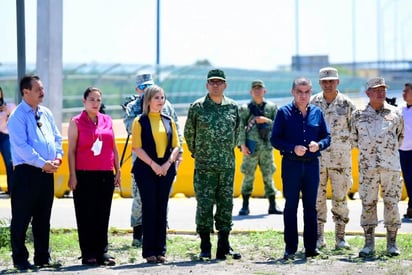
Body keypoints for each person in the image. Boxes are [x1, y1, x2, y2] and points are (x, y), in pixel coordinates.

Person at [270, 77, 331, 260]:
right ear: (293, 92)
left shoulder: (317, 113)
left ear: (311, 92)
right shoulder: (283, 112)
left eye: (306, 92)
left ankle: (311, 247)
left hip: (312, 165)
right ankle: (290, 247)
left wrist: (318, 144)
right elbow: (275, 139)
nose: (303, 96)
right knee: (291, 206)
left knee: (310, 207)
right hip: (291, 165)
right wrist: (291, 148)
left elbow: (327, 137)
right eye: (299, 92)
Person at [184, 69, 241, 261]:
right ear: (207, 85)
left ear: (225, 85)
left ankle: (224, 245)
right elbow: (189, 134)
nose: (215, 85)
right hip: (204, 167)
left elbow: (237, 133)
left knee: (226, 205)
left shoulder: (233, 107)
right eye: (212, 82)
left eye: (219, 82)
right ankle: (205, 246)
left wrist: (224, 152)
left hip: (226, 166)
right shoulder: (198, 107)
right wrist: (199, 154)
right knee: (204, 206)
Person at [8, 75, 63, 270]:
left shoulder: (46, 113)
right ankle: (20, 259)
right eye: (38, 89)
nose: (42, 92)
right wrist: (42, 163)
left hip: (47, 172)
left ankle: (42, 257)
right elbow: (21, 147)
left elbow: (57, 137)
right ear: (26, 92)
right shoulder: (17, 116)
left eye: (43, 88)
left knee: (43, 218)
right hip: (26, 173)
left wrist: (57, 157)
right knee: (22, 218)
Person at [123, 73, 182, 247]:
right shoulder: (134, 107)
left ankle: (160, 232)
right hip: (142, 159)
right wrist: (144, 111)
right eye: (143, 88)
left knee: (162, 198)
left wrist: (179, 155)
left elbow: (176, 128)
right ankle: (138, 233)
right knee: (141, 197)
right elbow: (130, 128)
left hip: (166, 159)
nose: (146, 90)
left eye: (149, 86)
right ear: (137, 89)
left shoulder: (166, 105)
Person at [350, 77, 404, 257]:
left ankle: (392, 243)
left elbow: (400, 137)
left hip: (391, 168)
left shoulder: (396, 113)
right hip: (368, 169)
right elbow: (354, 139)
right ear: (368, 93)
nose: (381, 93)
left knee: (392, 204)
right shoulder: (358, 115)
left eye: (383, 90)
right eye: (376, 90)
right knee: (368, 203)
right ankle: (368, 243)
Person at [67, 87, 121, 266]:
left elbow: (113, 147)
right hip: (84, 174)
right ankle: (88, 252)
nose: (95, 103)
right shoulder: (76, 122)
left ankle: (102, 251)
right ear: (84, 101)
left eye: (98, 100)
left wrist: (118, 170)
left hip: (105, 173)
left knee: (102, 213)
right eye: (91, 99)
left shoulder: (107, 120)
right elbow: (71, 151)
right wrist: (72, 175)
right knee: (85, 214)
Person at [310, 67, 356, 250]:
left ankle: (340, 238)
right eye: (324, 81)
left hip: (341, 161)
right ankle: (319, 237)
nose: (328, 84)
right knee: (317, 200)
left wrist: (343, 148)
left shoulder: (347, 104)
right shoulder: (313, 103)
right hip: (317, 160)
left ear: (338, 82)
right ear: (320, 83)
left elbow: (356, 132)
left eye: (331, 81)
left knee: (340, 198)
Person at [238, 80, 282, 216]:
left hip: (266, 147)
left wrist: (266, 120)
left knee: (268, 176)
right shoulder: (245, 108)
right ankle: (245, 206)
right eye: (255, 89)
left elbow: (280, 125)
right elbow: (240, 127)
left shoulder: (271, 107)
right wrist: (242, 145)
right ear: (251, 92)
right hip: (251, 147)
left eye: (260, 89)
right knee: (248, 176)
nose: (257, 91)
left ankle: (273, 205)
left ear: (265, 91)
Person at [0, 86, 16, 195]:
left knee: (9, 162)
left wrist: (7, 112)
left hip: (5, 136)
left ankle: (12, 189)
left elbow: (15, 121)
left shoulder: (9, 106)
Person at [400, 83, 412, 219]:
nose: (404, 93)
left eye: (407, 91)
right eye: (403, 91)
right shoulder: (400, 109)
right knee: (408, 180)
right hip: (403, 150)